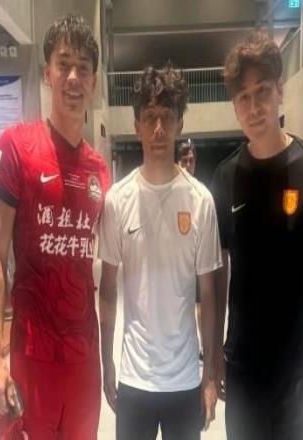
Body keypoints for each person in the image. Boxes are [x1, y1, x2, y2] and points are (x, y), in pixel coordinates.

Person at [211, 31, 303, 440]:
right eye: (244, 98)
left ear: (280, 91)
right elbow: (219, 274)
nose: (254, 107)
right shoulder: (226, 177)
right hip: (243, 368)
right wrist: (214, 354)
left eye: (263, 92)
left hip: (298, 371)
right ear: (235, 107)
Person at [0, 14, 110, 439]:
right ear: (47, 73)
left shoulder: (99, 170)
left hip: (83, 360)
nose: (73, 77)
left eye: (83, 68)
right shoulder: (16, 147)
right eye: (63, 64)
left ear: (94, 82)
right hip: (31, 354)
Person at [98, 65, 222, 440]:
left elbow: (209, 296)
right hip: (134, 378)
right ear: (136, 125)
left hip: (184, 379)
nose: (158, 129)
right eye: (150, 117)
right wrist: (107, 363)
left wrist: (209, 374)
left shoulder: (200, 201)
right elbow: (107, 290)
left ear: (179, 124)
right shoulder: (117, 200)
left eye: (167, 118)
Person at [177, 139, 204, 360]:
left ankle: (203, 346)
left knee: (200, 304)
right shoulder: (168, 193)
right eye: (184, 161)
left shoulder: (202, 196)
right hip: (175, 261)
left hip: (197, 258)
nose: (188, 165)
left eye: (191, 160)